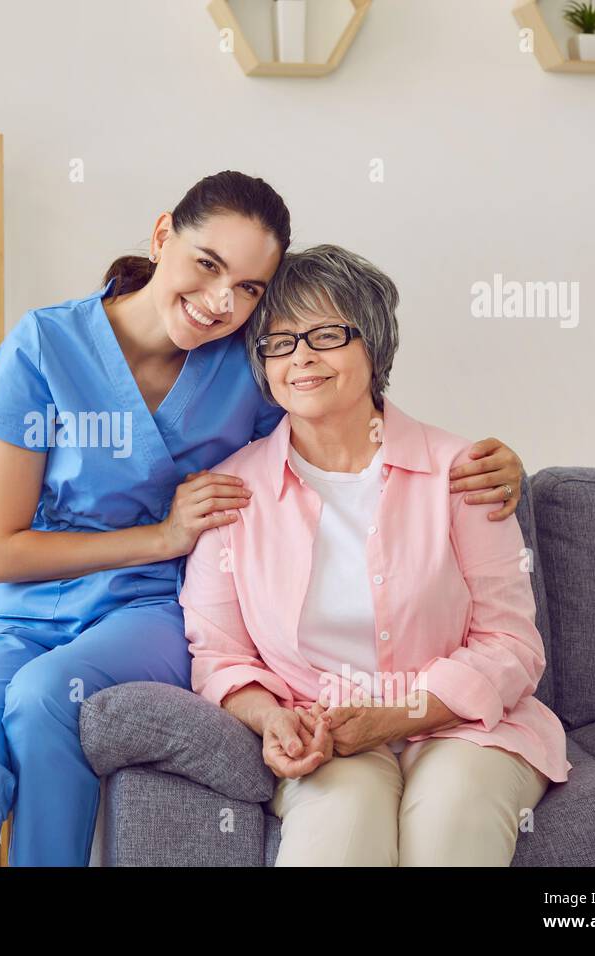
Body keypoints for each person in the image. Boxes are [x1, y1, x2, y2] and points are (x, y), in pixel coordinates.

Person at [0, 173, 527, 866]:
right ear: (163, 233)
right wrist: (163, 536)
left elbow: (340, 425)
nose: (221, 302)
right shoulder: (46, 345)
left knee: (44, 699)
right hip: (24, 608)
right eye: (207, 264)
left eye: (251, 288)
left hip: (147, 609)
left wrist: (491, 463)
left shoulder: (248, 359)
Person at [180, 244, 570, 867]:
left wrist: (397, 715)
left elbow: (512, 645)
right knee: (337, 834)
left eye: (326, 334)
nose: (301, 356)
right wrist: (271, 718)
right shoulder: (233, 493)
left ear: (375, 345)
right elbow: (220, 654)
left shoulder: (463, 474)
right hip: (326, 734)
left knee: (450, 821)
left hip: (466, 724)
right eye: (279, 342)